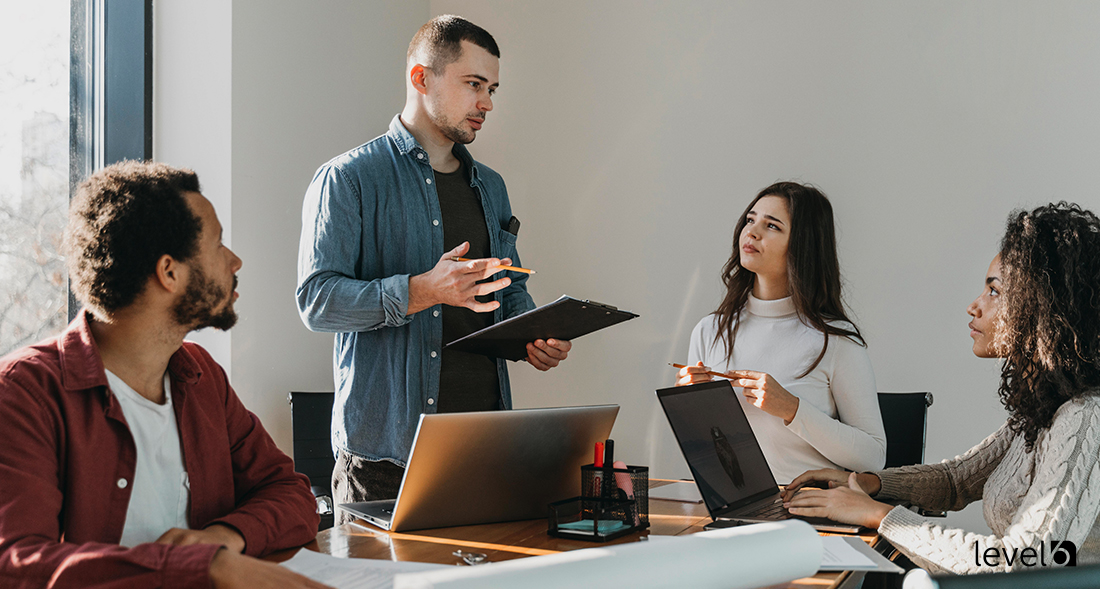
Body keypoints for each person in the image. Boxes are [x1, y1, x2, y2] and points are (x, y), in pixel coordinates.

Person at [296, 15, 570, 523]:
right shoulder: (348, 178)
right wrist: (421, 290)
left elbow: (503, 290)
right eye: (473, 85)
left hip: (483, 444)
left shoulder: (492, 187)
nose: (486, 103)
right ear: (422, 79)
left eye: (491, 89)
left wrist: (532, 332)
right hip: (384, 457)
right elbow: (317, 302)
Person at [0, 161, 325, 588]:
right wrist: (202, 568)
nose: (235, 261)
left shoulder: (201, 375)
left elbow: (291, 494)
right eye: (218, 244)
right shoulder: (25, 391)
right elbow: (18, 564)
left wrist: (222, 540)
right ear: (169, 273)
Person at [783, 202, 1100, 574]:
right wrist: (868, 483)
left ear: (1042, 307)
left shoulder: (1084, 418)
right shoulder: (1043, 408)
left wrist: (879, 516)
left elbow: (1028, 560)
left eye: (994, 291)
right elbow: (955, 480)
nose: (974, 306)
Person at [676, 182, 886, 484]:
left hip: (807, 511)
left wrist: (791, 408)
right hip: (726, 509)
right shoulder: (709, 331)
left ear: (803, 245)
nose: (752, 232)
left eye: (772, 226)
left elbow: (873, 457)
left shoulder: (836, 340)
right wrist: (687, 406)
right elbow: (702, 449)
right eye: (750, 220)